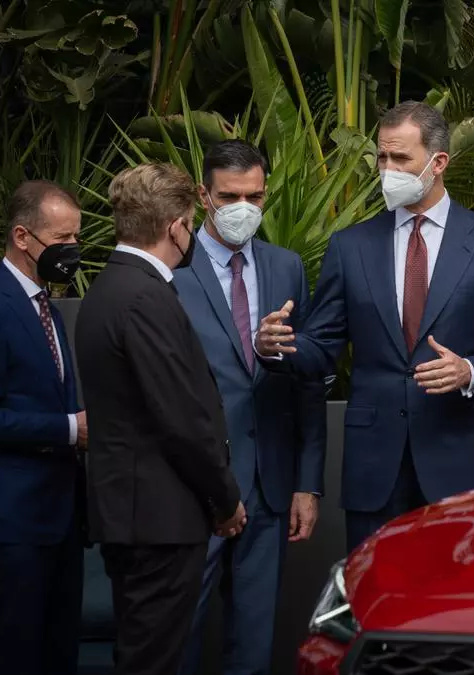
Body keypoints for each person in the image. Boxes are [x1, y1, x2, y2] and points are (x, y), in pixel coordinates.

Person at [255, 101, 474, 553]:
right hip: (374, 467)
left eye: (401, 158)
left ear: (438, 162)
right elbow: (322, 346)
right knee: (374, 587)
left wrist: (469, 370)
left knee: (453, 591)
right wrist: (275, 346)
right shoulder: (351, 246)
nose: (387, 169)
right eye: (382, 157)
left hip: (457, 462)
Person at [74, 163, 246, 675]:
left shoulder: (109, 288)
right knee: (153, 660)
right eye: (190, 224)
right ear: (176, 226)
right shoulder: (145, 296)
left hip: (132, 514)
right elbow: (182, 418)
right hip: (158, 520)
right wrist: (225, 499)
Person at [174, 140, 326, 675]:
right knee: (178, 640)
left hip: (268, 485)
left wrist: (307, 483)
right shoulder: (170, 269)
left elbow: (308, 382)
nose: (244, 208)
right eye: (229, 197)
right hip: (194, 487)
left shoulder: (287, 266)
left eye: (255, 197)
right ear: (203, 196)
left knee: (255, 646)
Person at [0, 179, 87, 675]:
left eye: (76, 236)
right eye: (62, 238)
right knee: (19, 658)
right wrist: (69, 428)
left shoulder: (45, 306)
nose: (72, 249)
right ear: (23, 237)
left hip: (61, 518)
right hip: (14, 523)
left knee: (59, 655)